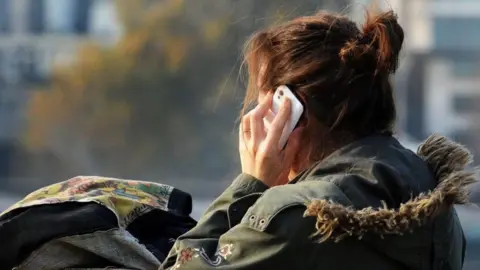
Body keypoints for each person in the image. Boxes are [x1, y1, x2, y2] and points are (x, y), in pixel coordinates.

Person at [161, 8, 474, 270]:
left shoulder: (297, 215)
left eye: (265, 105)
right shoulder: (430, 195)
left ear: (290, 113)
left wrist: (250, 185)